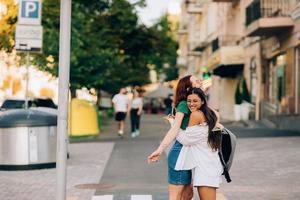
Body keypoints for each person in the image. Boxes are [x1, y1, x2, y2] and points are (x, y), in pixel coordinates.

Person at [148, 75, 204, 200]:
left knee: (188, 194)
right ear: (188, 87)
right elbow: (175, 129)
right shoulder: (184, 104)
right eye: (196, 80)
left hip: (188, 155)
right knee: (176, 196)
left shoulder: (197, 104)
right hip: (180, 155)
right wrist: (160, 149)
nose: (200, 80)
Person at [175, 87, 223, 200]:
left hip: (205, 167)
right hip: (210, 164)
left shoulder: (196, 115)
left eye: (195, 101)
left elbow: (186, 140)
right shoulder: (211, 113)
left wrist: (173, 123)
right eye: (189, 101)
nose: (191, 104)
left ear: (202, 101)